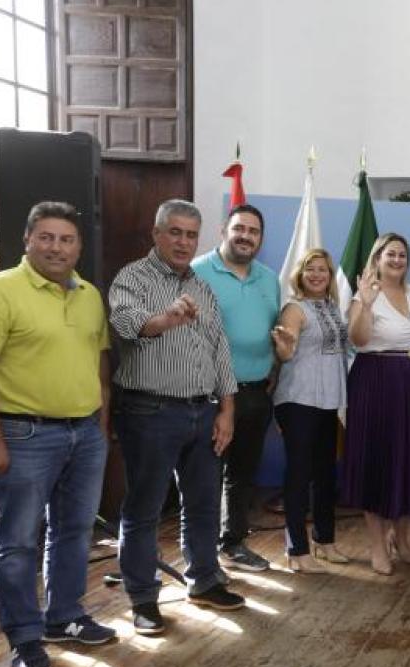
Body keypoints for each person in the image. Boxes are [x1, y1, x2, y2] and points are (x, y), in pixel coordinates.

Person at [0, 201, 116, 667]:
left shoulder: (89, 294)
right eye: (46, 237)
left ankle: (64, 616)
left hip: (85, 432)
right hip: (23, 435)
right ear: (27, 240)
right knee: (19, 541)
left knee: (75, 532)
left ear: (79, 247)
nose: (56, 247)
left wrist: (101, 429)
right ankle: (24, 637)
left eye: (66, 239)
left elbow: (99, 366)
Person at [109, 199, 243, 635]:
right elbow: (126, 324)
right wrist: (165, 318)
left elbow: (219, 347)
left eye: (190, 234)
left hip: (203, 412)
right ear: (157, 233)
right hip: (149, 411)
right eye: (175, 232)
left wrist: (227, 409)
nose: (183, 242)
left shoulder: (202, 287)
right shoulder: (132, 277)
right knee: (144, 509)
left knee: (204, 504)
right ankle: (143, 599)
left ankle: (203, 580)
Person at [343, 233, 410, 575]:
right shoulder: (364, 295)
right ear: (377, 259)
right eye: (390, 254)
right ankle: (376, 545)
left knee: (408, 462)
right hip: (376, 385)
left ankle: (401, 537)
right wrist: (367, 303)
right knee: (378, 463)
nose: (397, 260)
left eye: (402, 254)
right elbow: (357, 339)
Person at [192, 203, 280, 573]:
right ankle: (200, 554)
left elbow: (275, 331)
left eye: (254, 231)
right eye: (239, 228)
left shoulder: (268, 277)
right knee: (205, 475)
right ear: (223, 230)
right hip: (210, 395)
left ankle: (233, 543)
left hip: (257, 392)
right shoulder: (196, 272)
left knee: (243, 473)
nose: (246, 236)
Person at [270, 248, 349, 573]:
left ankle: (325, 541)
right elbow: (286, 353)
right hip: (298, 400)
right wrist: (285, 346)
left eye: (323, 270)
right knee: (299, 475)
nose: (317, 275)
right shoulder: (294, 308)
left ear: (330, 277)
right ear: (300, 274)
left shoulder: (332, 307)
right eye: (310, 269)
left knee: (326, 475)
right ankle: (296, 549)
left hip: (328, 400)